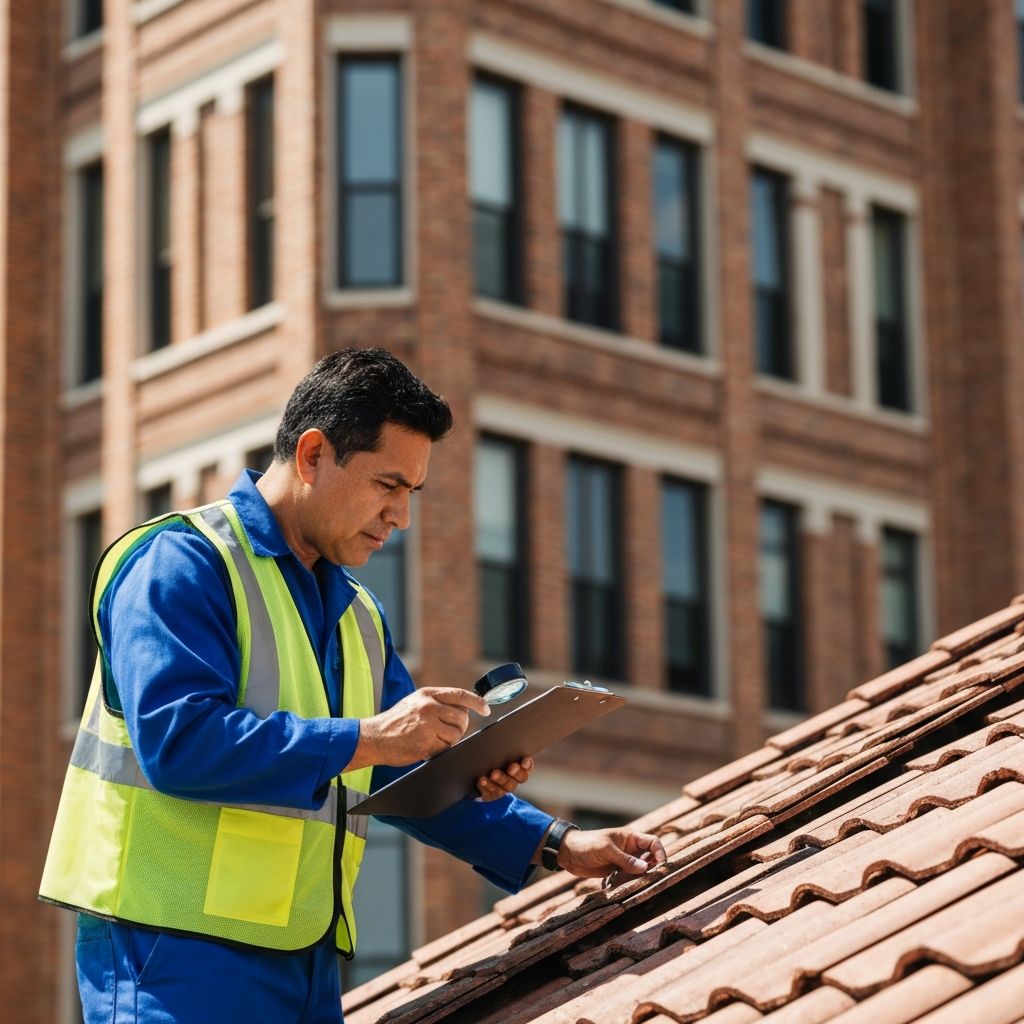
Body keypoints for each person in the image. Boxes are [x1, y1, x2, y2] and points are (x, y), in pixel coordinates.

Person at [40, 348, 667, 1023]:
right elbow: (180, 743)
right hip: (171, 957)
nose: (401, 516)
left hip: (305, 963)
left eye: (412, 493)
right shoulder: (181, 562)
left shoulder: (358, 615)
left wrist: (557, 842)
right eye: (387, 485)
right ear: (313, 455)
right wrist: (369, 739)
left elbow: (402, 775)